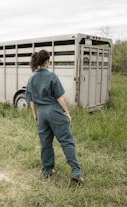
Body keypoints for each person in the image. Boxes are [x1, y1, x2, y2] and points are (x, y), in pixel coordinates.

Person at [25, 49, 84, 183]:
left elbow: (31, 100)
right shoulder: (52, 76)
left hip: (41, 113)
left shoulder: (31, 78)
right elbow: (59, 98)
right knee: (66, 141)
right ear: (46, 61)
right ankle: (75, 171)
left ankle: (47, 170)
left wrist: (35, 114)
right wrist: (67, 112)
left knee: (45, 143)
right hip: (54, 111)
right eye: (49, 60)